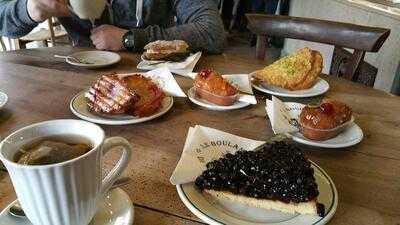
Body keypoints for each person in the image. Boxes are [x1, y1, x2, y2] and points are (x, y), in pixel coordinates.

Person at [0, 0, 226, 53]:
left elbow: (212, 32)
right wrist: (30, 9)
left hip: (159, 72)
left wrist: (130, 38)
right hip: (78, 71)